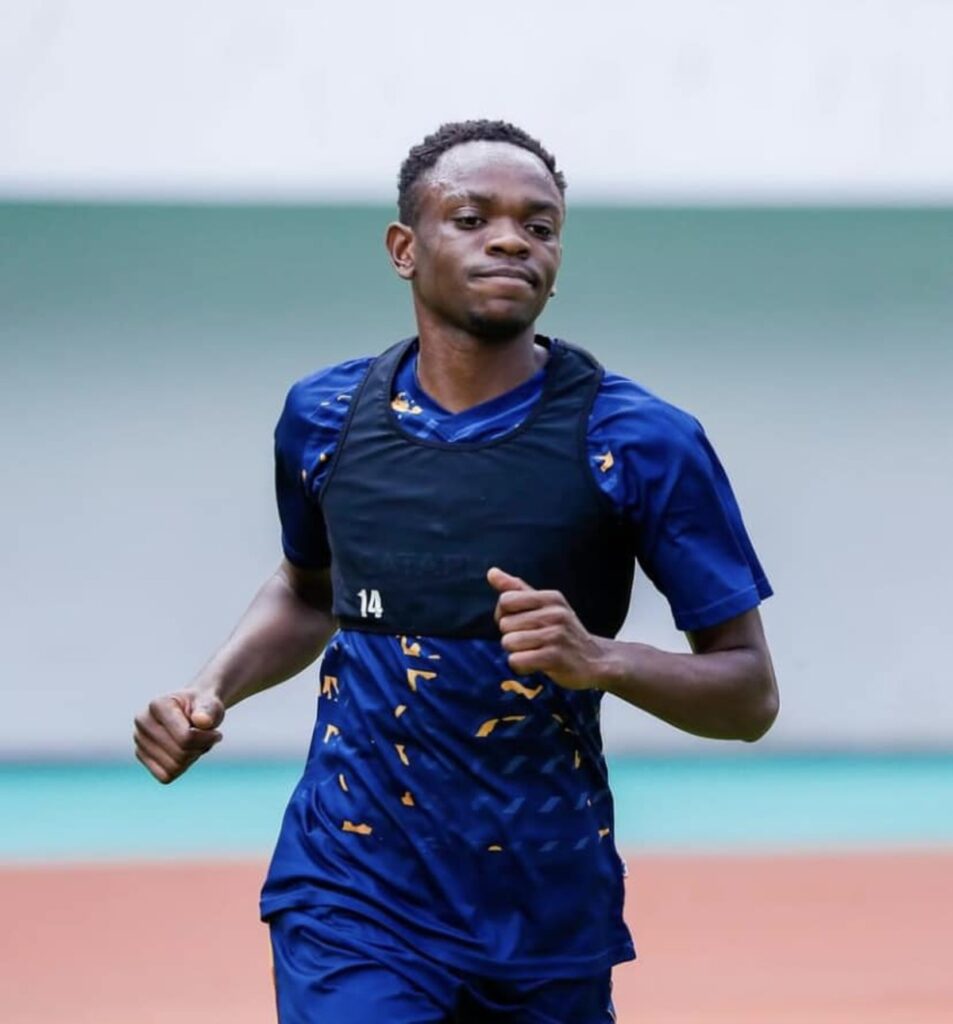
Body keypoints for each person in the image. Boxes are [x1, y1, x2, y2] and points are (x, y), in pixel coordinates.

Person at [134, 119, 778, 1024]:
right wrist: (208, 692)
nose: (512, 239)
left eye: (540, 225)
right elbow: (306, 590)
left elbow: (748, 695)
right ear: (404, 248)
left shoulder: (638, 441)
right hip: (349, 887)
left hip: (544, 907)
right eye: (471, 217)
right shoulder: (323, 416)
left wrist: (600, 659)